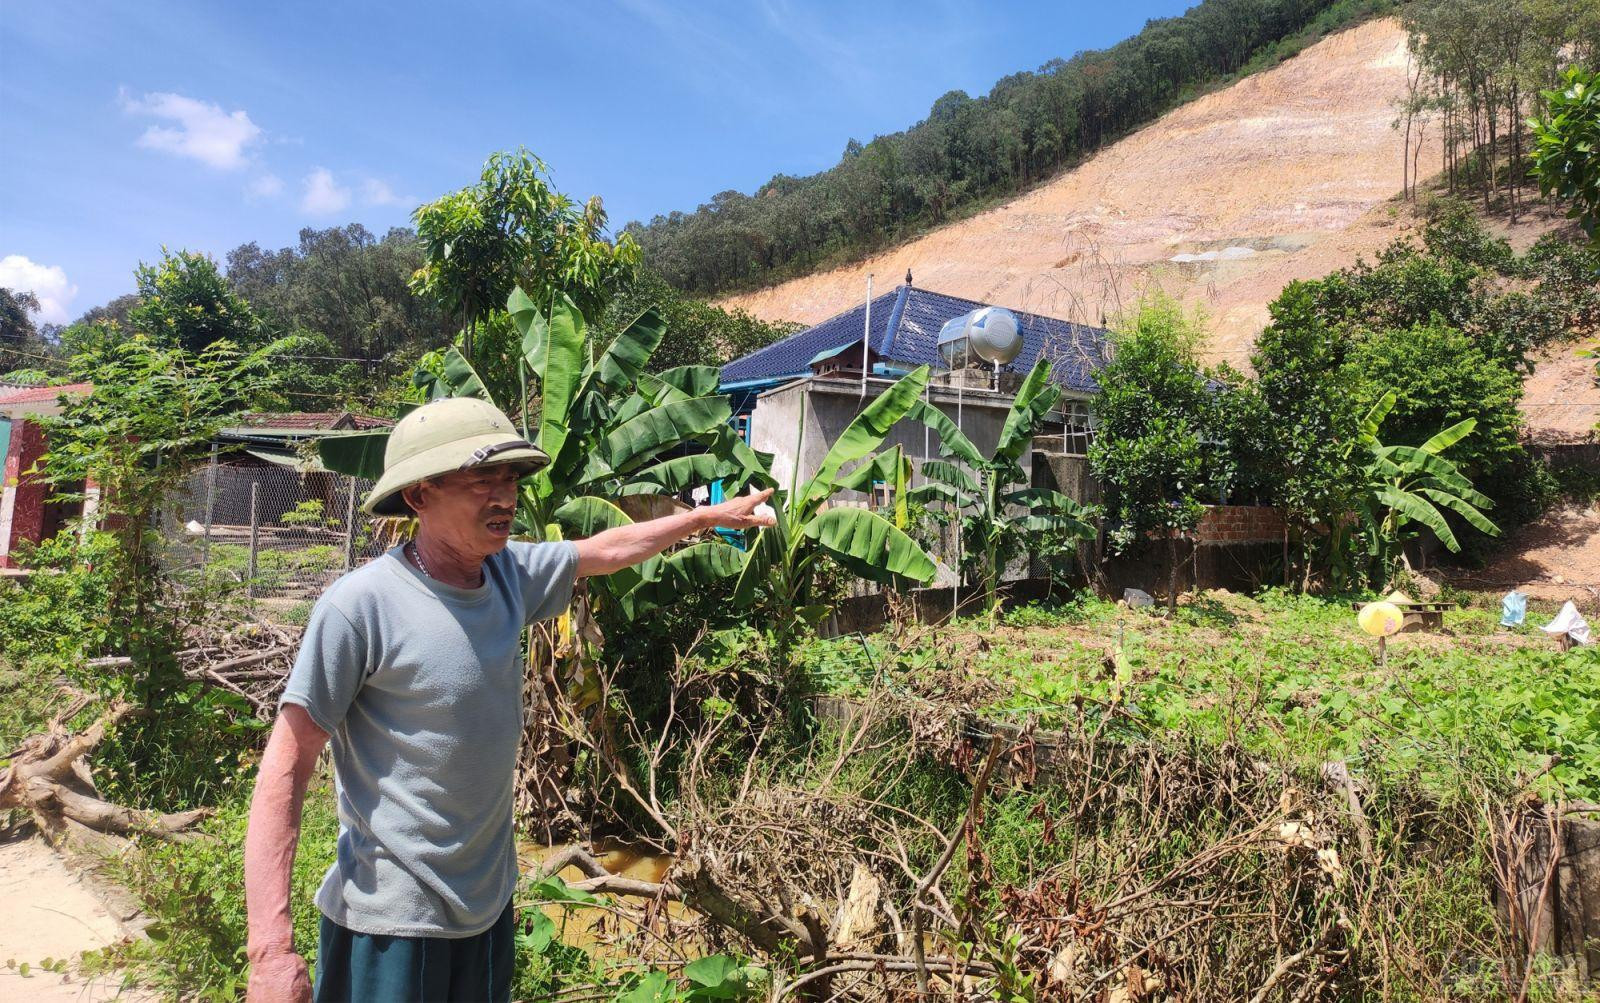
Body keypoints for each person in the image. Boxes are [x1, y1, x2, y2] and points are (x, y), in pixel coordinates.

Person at [243, 397, 773, 1002]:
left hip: (487, 909)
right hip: (393, 918)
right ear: (418, 496)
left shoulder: (507, 575)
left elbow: (609, 549)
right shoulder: (360, 607)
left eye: (511, 479)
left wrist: (704, 518)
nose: (505, 497)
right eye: (482, 481)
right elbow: (286, 767)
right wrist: (270, 950)